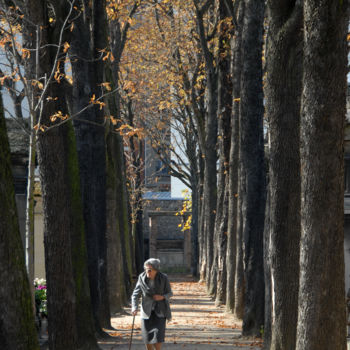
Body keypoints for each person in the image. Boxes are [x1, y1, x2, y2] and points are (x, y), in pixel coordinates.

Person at [131, 258, 173, 350]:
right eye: (146, 269)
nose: (147, 272)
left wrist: (162, 297)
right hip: (146, 312)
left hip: (160, 312)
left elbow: (170, 293)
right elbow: (135, 294)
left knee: (158, 338)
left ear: (156, 270)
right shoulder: (141, 278)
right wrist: (134, 307)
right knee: (148, 339)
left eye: (149, 270)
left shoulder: (164, 278)